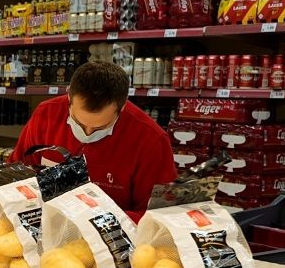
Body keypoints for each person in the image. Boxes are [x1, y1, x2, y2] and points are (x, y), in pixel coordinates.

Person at [9, 61, 177, 222]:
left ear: (123, 107)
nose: (87, 133)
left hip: (114, 240)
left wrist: (94, 221)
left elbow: (157, 216)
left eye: (100, 127)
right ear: (69, 97)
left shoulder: (151, 140)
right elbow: (16, 176)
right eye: (78, 122)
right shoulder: (46, 114)